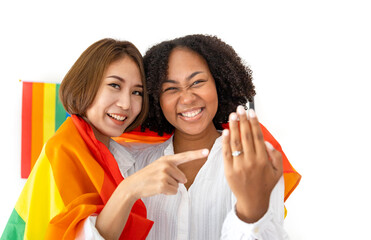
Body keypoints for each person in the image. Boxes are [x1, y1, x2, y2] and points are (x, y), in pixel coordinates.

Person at [85, 34, 300, 239]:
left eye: (197, 82)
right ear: (156, 98)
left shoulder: (255, 162)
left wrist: (251, 211)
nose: (187, 99)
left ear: (219, 83)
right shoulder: (130, 165)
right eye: (170, 88)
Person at [1, 38, 210, 240]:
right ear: (85, 86)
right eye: (115, 86)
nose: (126, 104)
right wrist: (128, 190)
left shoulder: (120, 155)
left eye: (137, 92)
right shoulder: (62, 151)